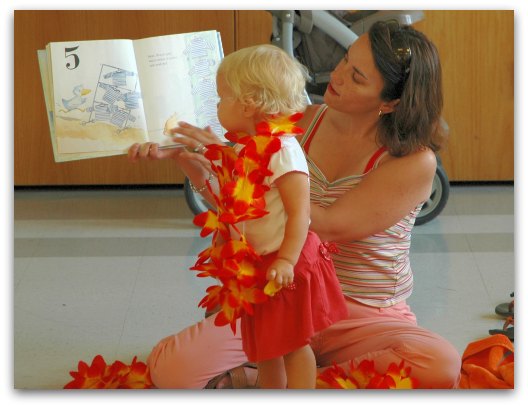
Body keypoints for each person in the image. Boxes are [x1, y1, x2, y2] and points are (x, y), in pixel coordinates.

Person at [128, 21, 462, 389]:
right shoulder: (299, 122)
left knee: (440, 365)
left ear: (391, 102)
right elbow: (244, 203)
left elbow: (328, 224)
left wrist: (236, 167)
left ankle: (279, 378)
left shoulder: (415, 162)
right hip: (280, 293)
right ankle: (302, 376)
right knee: (173, 370)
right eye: (345, 59)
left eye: (357, 77)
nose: (337, 76)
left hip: (360, 314)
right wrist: (186, 158)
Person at [133, 44, 348, 389]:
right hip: (259, 266)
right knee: (265, 347)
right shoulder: (244, 148)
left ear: (248, 103)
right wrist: (182, 157)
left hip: (286, 265)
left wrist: (287, 260)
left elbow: (300, 215)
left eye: (221, 98)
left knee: (293, 346)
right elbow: (229, 205)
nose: (216, 106)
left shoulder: (283, 150)